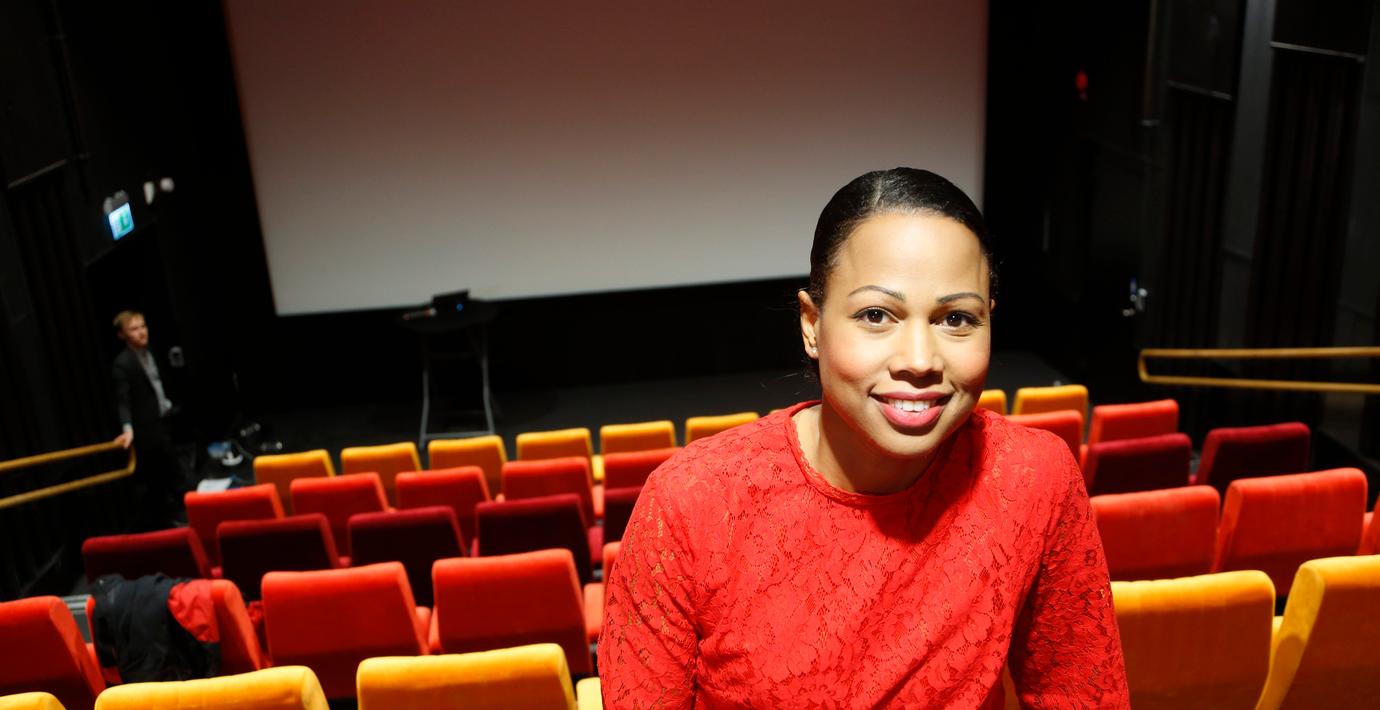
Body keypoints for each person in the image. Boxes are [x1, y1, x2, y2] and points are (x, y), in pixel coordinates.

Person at [599, 168, 1128, 707]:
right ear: (812, 324)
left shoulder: (1034, 479)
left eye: (956, 319)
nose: (920, 360)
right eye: (876, 315)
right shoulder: (690, 505)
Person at [111, 310, 183, 529]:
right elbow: (122, 400)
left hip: (164, 419)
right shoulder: (122, 363)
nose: (142, 332)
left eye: (143, 326)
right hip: (148, 430)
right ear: (122, 335)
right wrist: (127, 428)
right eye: (134, 329)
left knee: (174, 471)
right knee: (160, 479)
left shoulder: (151, 352)